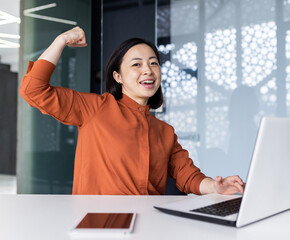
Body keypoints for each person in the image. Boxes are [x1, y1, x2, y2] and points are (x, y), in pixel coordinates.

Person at [20, 26, 245, 196]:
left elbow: (188, 176)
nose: (147, 70)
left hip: (149, 226)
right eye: (136, 64)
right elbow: (33, 90)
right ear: (117, 76)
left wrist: (215, 187)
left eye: (153, 63)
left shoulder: (164, 132)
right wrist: (61, 40)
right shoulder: (94, 108)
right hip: (97, 225)